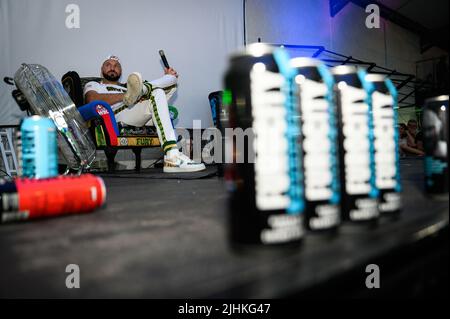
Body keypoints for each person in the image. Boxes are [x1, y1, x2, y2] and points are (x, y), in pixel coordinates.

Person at [84, 55, 205, 173]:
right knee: (156, 92)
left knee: (162, 89)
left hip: (135, 113)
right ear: (101, 70)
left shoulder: (128, 87)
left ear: (121, 71)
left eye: (116, 66)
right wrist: (127, 96)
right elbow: (92, 100)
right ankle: (172, 156)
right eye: (108, 65)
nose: (112, 67)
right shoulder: (94, 85)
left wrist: (137, 95)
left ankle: (172, 155)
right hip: (113, 117)